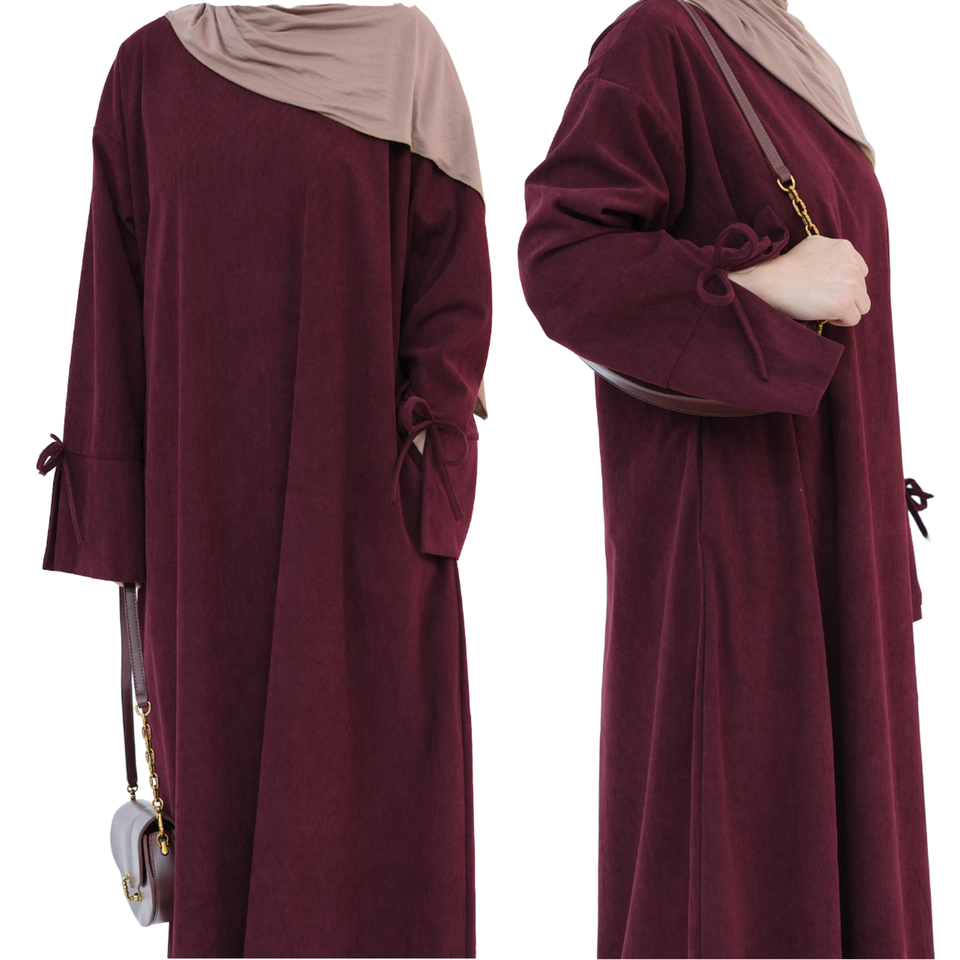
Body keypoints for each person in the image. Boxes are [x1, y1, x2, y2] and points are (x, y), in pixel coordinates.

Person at [36, 4, 491, 957]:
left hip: (361, 530)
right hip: (201, 537)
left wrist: (428, 479)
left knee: (365, 837)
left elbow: (451, 296)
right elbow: (112, 313)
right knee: (226, 832)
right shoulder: (147, 75)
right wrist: (117, 530)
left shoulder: (404, 56)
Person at [518, 0, 934, 957]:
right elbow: (563, 256)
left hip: (839, 535)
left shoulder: (803, 63)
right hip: (736, 543)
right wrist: (758, 283)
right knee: (734, 859)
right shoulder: (659, 39)